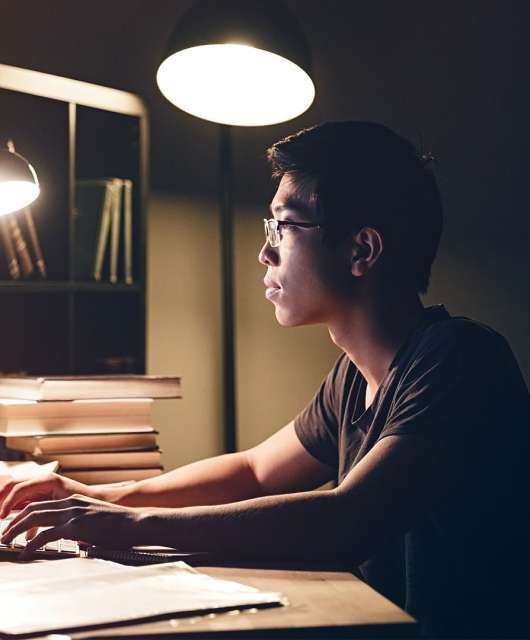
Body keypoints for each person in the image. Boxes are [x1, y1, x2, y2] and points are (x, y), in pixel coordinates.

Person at [1, 121, 528, 638]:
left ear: (362, 251)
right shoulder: (353, 377)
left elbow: (348, 519)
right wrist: (98, 496)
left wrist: (125, 526)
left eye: (283, 226)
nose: (265, 252)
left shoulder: (458, 358)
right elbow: (254, 471)